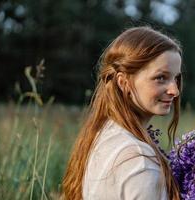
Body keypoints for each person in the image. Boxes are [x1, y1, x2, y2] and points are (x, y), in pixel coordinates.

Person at [62, 26, 182, 200]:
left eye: (175, 78)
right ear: (123, 82)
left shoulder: (103, 133)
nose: (174, 90)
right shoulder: (139, 163)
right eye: (161, 78)